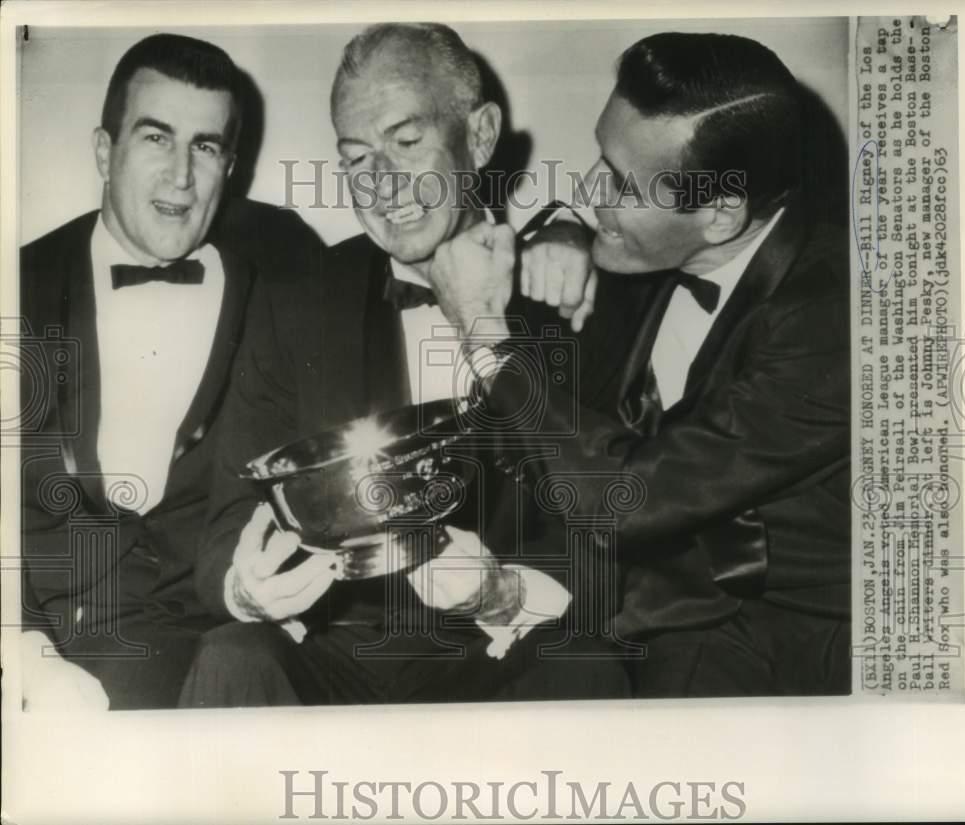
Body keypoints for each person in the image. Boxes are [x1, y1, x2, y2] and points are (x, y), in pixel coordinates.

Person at [180, 22, 630, 707]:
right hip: (340, 650)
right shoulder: (297, 298)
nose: (383, 184)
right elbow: (224, 527)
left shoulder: (569, 292)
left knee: (587, 669)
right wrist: (247, 585)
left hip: (508, 649)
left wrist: (505, 592)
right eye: (358, 158)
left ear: (478, 137)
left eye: (407, 143)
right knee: (231, 658)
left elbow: (621, 538)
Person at [427, 32, 851, 696]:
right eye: (601, 156)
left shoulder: (834, 321)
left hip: (767, 657)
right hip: (630, 617)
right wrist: (562, 229)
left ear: (719, 214)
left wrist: (484, 334)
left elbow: (626, 499)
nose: (591, 190)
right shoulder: (656, 253)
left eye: (621, 183)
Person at [18, 33, 324, 710]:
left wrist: (560, 235)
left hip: (234, 650)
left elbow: (399, 257)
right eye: (157, 138)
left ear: (230, 164)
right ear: (105, 151)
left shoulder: (283, 265)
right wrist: (29, 658)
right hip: (63, 662)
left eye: (206, 147)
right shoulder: (21, 287)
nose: (182, 176)